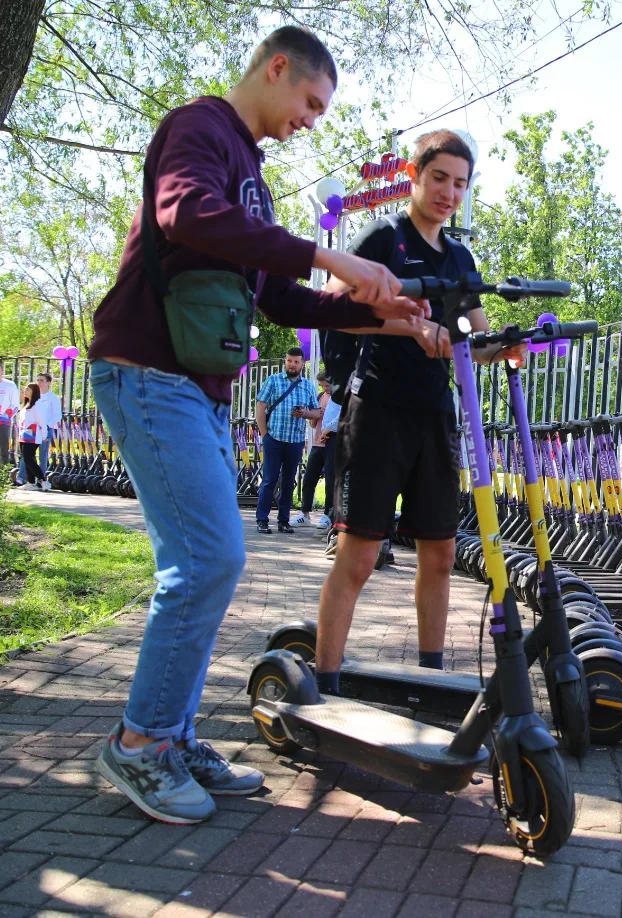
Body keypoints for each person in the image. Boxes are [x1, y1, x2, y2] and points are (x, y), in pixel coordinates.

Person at [85, 25, 422, 826]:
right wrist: (331, 255)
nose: (312, 119)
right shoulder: (197, 129)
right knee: (209, 558)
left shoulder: (257, 184)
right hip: (145, 371)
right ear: (276, 69)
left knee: (206, 566)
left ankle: (170, 735)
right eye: (310, 101)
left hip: (194, 387)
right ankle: (139, 745)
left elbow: (280, 298)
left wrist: (385, 319)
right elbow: (186, 214)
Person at [314, 129, 525, 692]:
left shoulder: (459, 256)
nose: (449, 193)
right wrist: (411, 326)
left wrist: (507, 342)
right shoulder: (385, 236)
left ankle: (431, 678)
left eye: (460, 183)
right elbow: (333, 304)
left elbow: (477, 342)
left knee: (440, 554)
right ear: (414, 175)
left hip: (436, 416)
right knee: (358, 555)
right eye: (439, 178)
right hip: (379, 409)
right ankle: (325, 677)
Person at [255, 347, 320, 534]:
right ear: (285, 361)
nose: (292, 365)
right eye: (289, 361)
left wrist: (305, 413)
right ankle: (262, 520)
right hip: (273, 438)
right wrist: (264, 433)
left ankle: (283, 521)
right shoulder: (273, 380)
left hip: (295, 440)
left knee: (288, 482)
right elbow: (260, 405)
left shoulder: (308, 385)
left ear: (302, 364)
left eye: (296, 362)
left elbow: (316, 412)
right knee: (269, 480)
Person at [297, 371, 333, 525]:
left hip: (331, 443)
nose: (325, 388)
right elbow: (313, 423)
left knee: (331, 480)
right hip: (317, 443)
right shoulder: (320, 397)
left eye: (327, 385)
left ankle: (328, 514)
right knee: (309, 478)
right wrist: (316, 415)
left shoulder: (338, 398)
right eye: (322, 385)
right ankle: (305, 513)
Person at [17, 372, 62, 484]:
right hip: (30, 430)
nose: (39, 383)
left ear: (48, 383)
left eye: (42, 380)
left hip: (44, 429)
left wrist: (47, 425)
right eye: (38, 380)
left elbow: (57, 415)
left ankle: (40, 479)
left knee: (42, 455)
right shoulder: (34, 397)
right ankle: (23, 478)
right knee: (27, 455)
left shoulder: (53, 398)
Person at [16, 383, 50, 491]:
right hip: (24, 435)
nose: (25, 391)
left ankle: (43, 480)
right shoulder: (26, 405)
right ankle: (30, 482)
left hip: (33, 436)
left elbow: (42, 422)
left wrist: (44, 435)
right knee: (27, 459)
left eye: (28, 389)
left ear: (34, 391)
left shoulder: (37, 405)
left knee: (28, 458)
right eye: (25, 389)